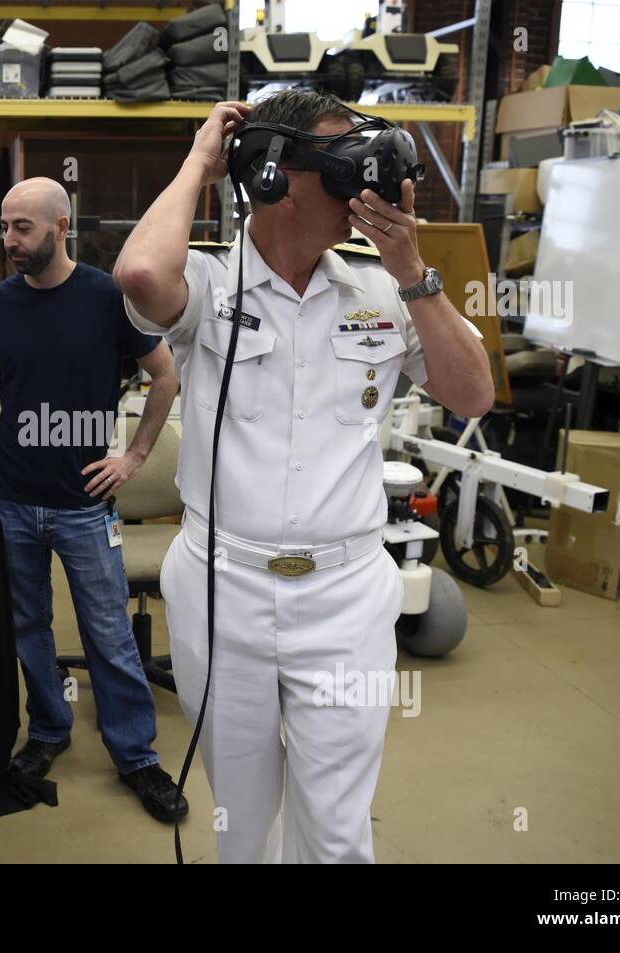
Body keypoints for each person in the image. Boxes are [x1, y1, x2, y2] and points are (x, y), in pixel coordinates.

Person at [114, 91, 495, 862]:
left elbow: (473, 394)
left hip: (345, 599)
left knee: (336, 829)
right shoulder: (210, 286)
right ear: (272, 176)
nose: (367, 188)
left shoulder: (383, 290)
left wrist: (414, 269)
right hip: (224, 591)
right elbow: (138, 274)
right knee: (241, 822)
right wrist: (201, 159)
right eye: (343, 166)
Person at [0, 178, 188, 822]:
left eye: (22, 227)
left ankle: (136, 755)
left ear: (61, 225)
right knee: (27, 629)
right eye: (5, 227)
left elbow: (165, 375)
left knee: (108, 634)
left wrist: (133, 457)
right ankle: (48, 732)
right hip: (14, 503)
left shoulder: (110, 297)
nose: (9, 241)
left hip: (85, 507)